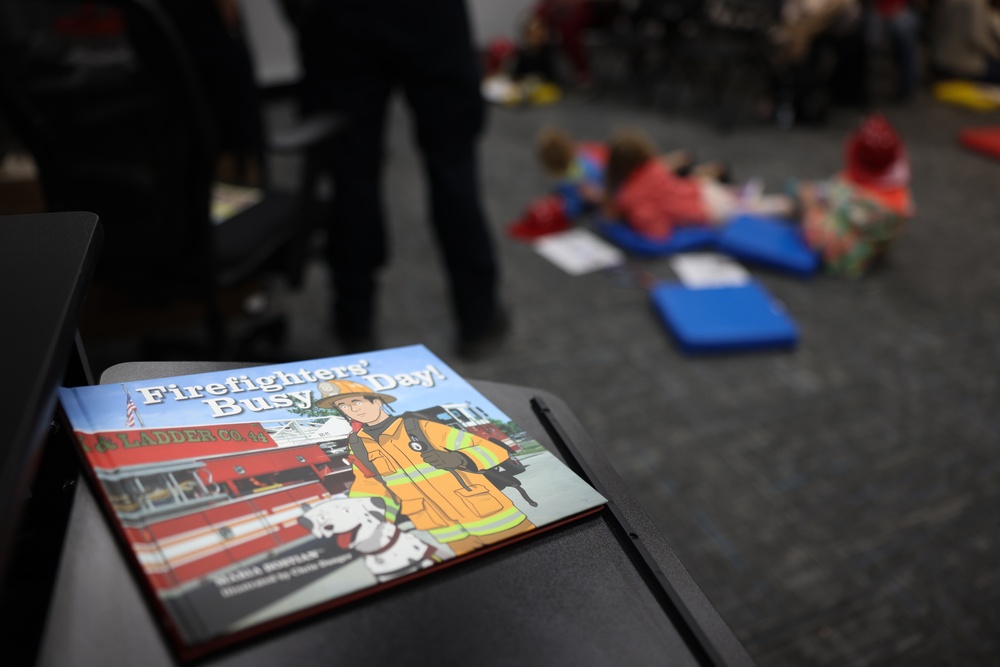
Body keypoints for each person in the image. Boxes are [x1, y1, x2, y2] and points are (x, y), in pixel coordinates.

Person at [280, 0, 507, 359]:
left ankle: (354, 318)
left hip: (343, 18)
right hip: (425, 16)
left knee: (352, 171)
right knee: (451, 165)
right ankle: (477, 316)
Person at [316, 379, 535, 557]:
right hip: (444, 529)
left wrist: (458, 459)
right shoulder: (358, 445)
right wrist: (359, 521)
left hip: (492, 517)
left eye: (356, 401)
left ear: (377, 402)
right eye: (342, 406)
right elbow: (370, 486)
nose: (351, 409)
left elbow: (491, 449)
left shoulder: (419, 427)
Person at [599, 129, 792, 242]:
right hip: (702, 188)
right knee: (731, 199)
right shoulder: (654, 167)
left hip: (706, 209)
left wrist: (629, 217)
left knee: (758, 209)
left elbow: (658, 233)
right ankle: (743, 195)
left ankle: (789, 204)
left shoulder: (631, 197)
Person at [796, 113, 914, 278]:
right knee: (819, 193)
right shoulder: (901, 195)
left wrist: (811, 205)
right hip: (879, 233)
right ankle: (876, 249)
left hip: (850, 248)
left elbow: (836, 196)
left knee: (808, 199)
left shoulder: (854, 198)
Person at [927, 0, 1000, 84]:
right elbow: (977, 37)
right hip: (963, 64)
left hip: (939, 59)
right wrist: (996, 53)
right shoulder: (976, 2)